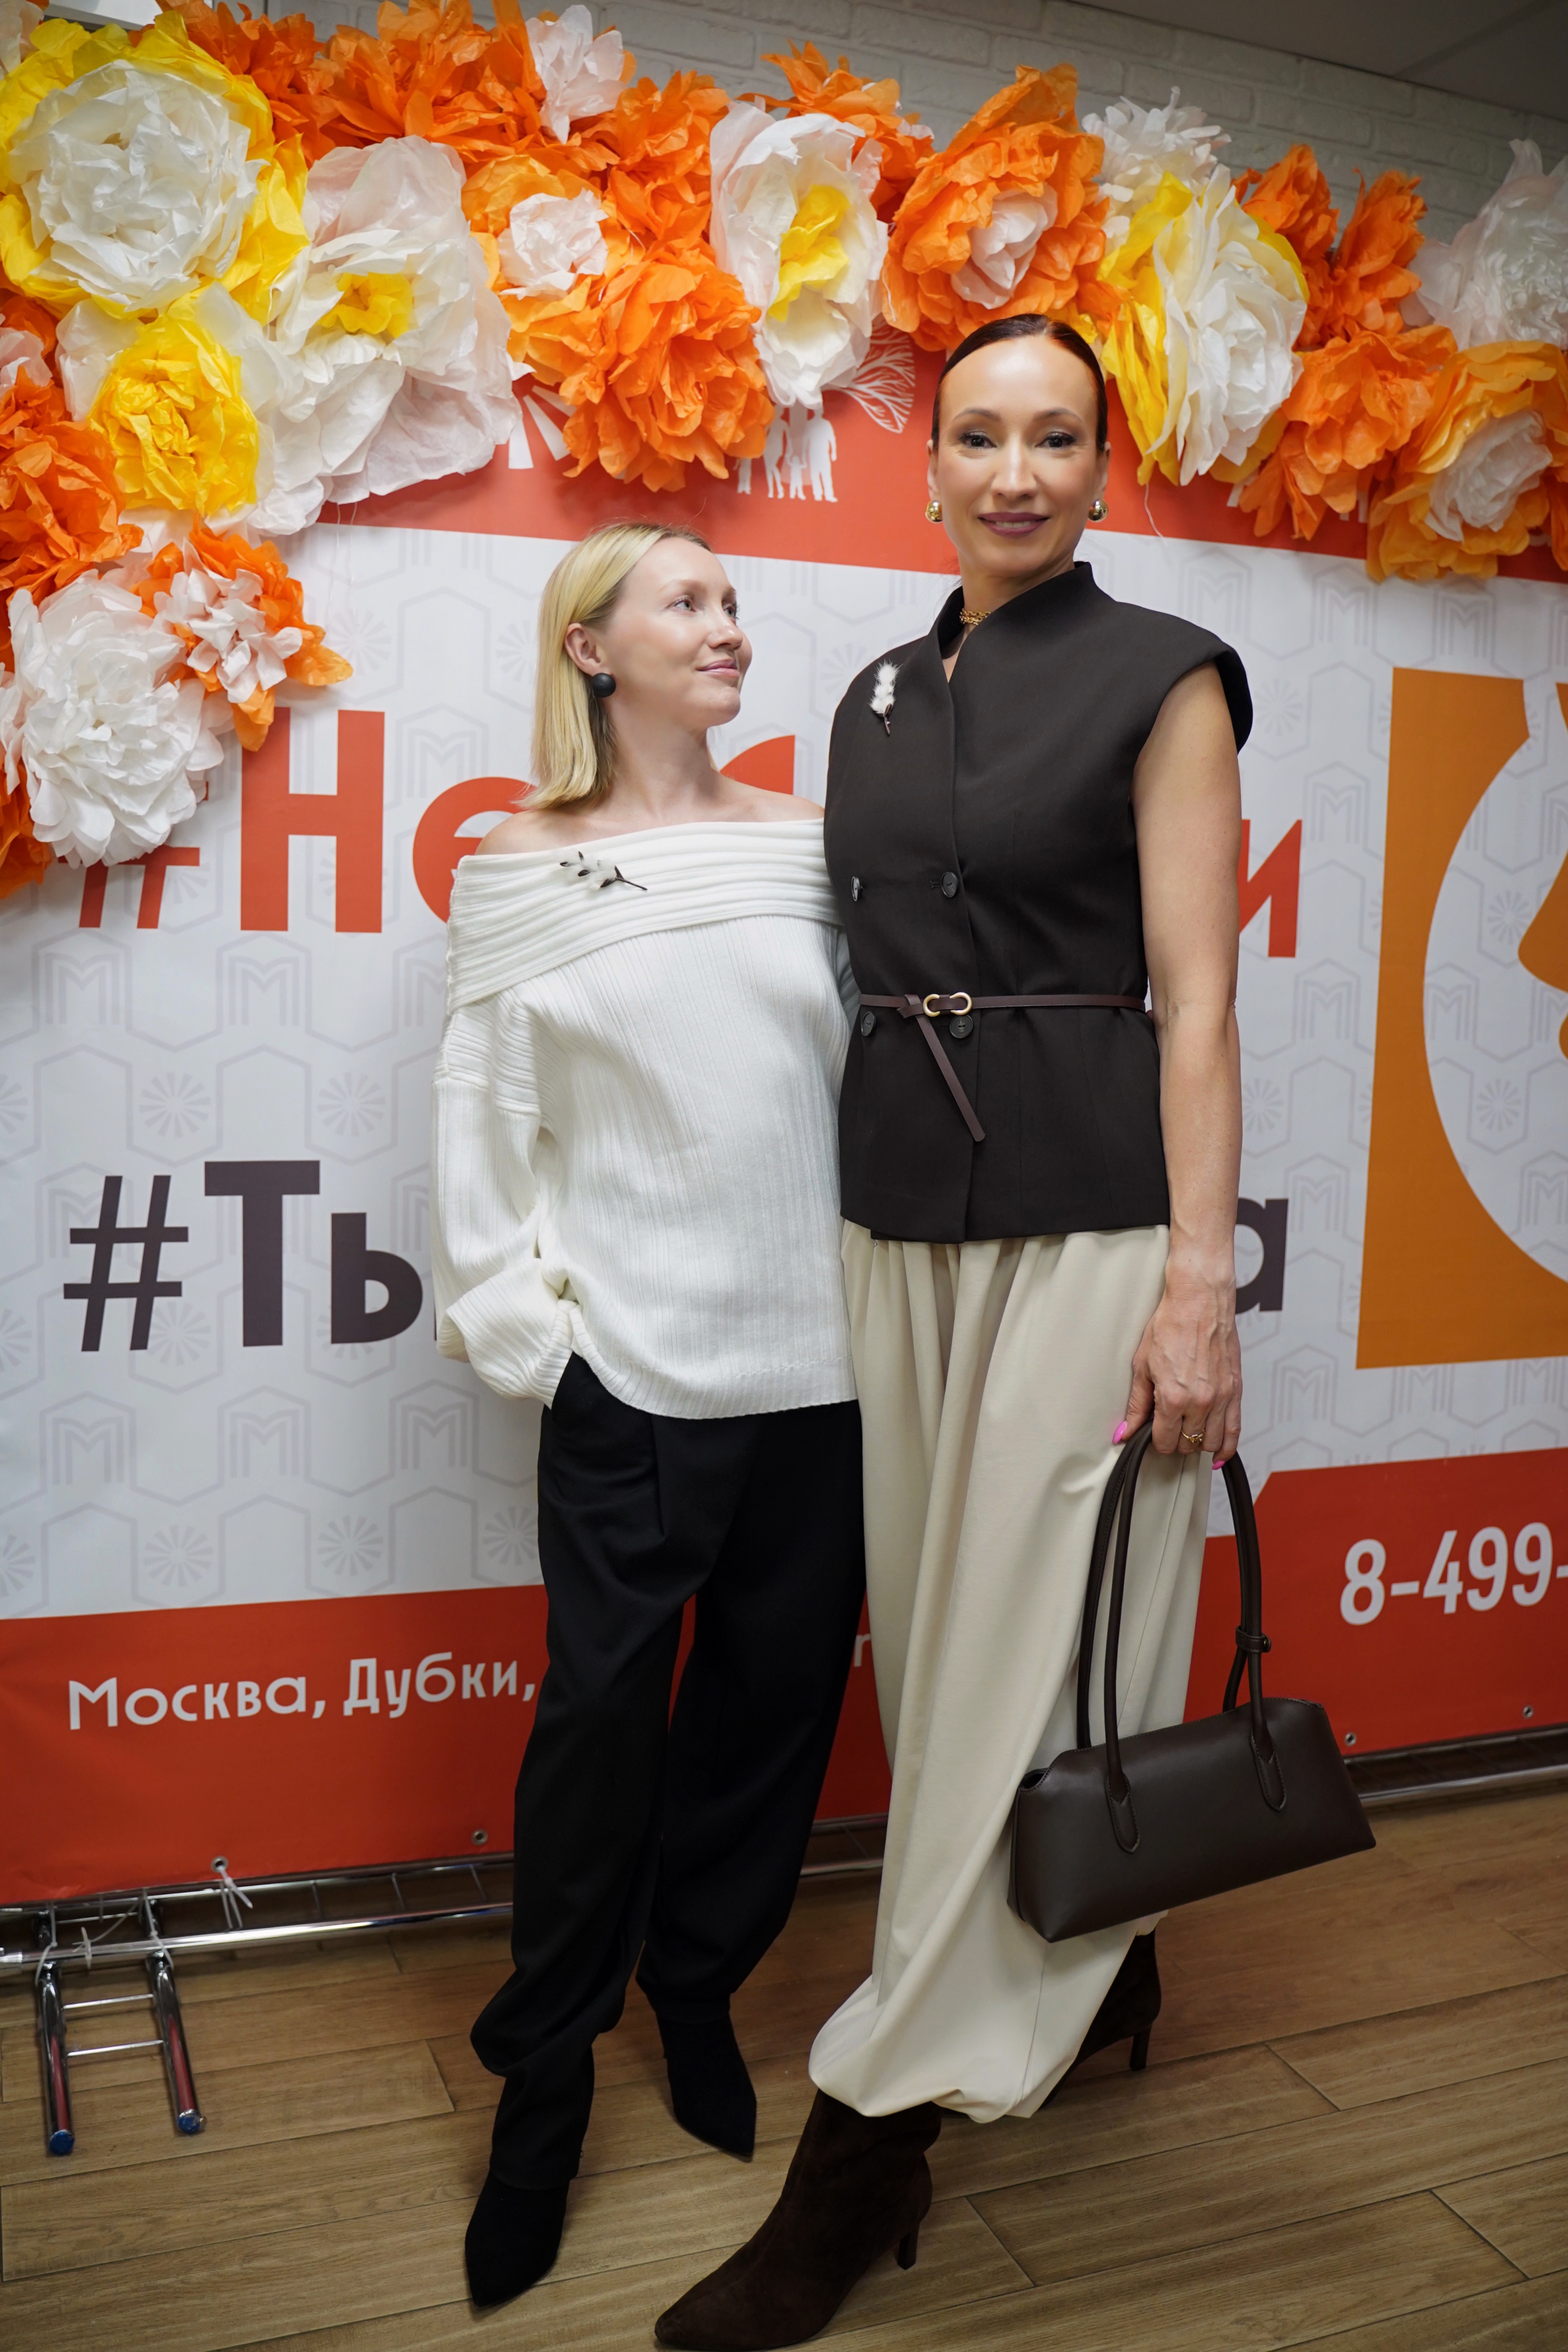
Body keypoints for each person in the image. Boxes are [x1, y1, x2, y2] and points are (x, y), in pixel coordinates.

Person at [655, 315, 1249, 2350]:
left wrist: (1197, 1282)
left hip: (1091, 1215)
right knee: (934, 1663)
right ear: (928, 471)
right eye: (978, 435)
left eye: (1054, 438)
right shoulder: (877, 696)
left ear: (1101, 468)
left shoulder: (1167, 675)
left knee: (1005, 1667)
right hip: (896, 1212)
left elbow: (1197, 997)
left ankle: (869, 2143)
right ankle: (1112, 1951)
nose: (1013, 471)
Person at [429, 521, 867, 2310]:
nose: (727, 625)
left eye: (734, 601)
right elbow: (482, 1115)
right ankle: (538, 2097)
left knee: (771, 1720)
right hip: (632, 1375)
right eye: (686, 601)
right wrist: (545, 1342)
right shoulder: (512, 866)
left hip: (826, 1373)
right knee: (598, 1730)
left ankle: (694, 1991)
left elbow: (865, 1081)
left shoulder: (812, 846)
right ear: (590, 648)